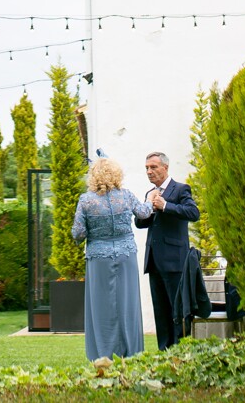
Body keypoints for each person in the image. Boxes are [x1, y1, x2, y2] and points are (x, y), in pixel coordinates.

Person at [71, 157, 144, 361]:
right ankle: (131, 352)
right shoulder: (126, 196)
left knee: (101, 305)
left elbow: (78, 233)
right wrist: (152, 199)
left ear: (93, 176)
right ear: (116, 174)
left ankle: (103, 353)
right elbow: (144, 213)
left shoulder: (86, 200)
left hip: (99, 259)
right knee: (127, 302)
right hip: (126, 255)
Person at [132, 151, 199, 351]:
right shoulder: (150, 192)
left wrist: (166, 205)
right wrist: (149, 207)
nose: (149, 172)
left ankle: (181, 350)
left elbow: (193, 213)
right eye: (146, 168)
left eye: (153, 167)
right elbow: (139, 223)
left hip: (174, 260)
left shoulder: (180, 189)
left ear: (165, 167)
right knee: (160, 310)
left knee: (177, 309)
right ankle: (164, 351)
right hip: (153, 261)